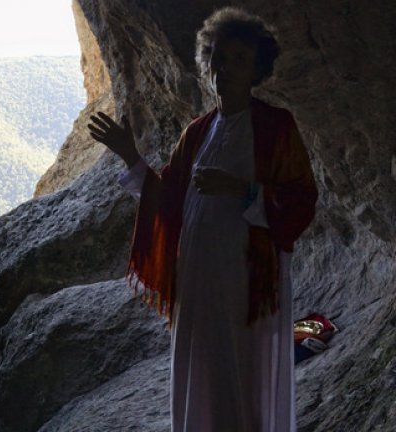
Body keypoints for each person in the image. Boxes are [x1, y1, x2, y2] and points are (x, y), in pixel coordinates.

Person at [88, 7, 317, 432]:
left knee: (245, 381)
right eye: (219, 57)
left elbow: (301, 202)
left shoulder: (276, 128)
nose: (224, 69)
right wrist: (130, 155)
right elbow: (167, 200)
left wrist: (243, 190)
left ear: (256, 71)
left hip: (248, 283)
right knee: (205, 378)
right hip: (197, 280)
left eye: (238, 60)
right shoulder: (197, 132)